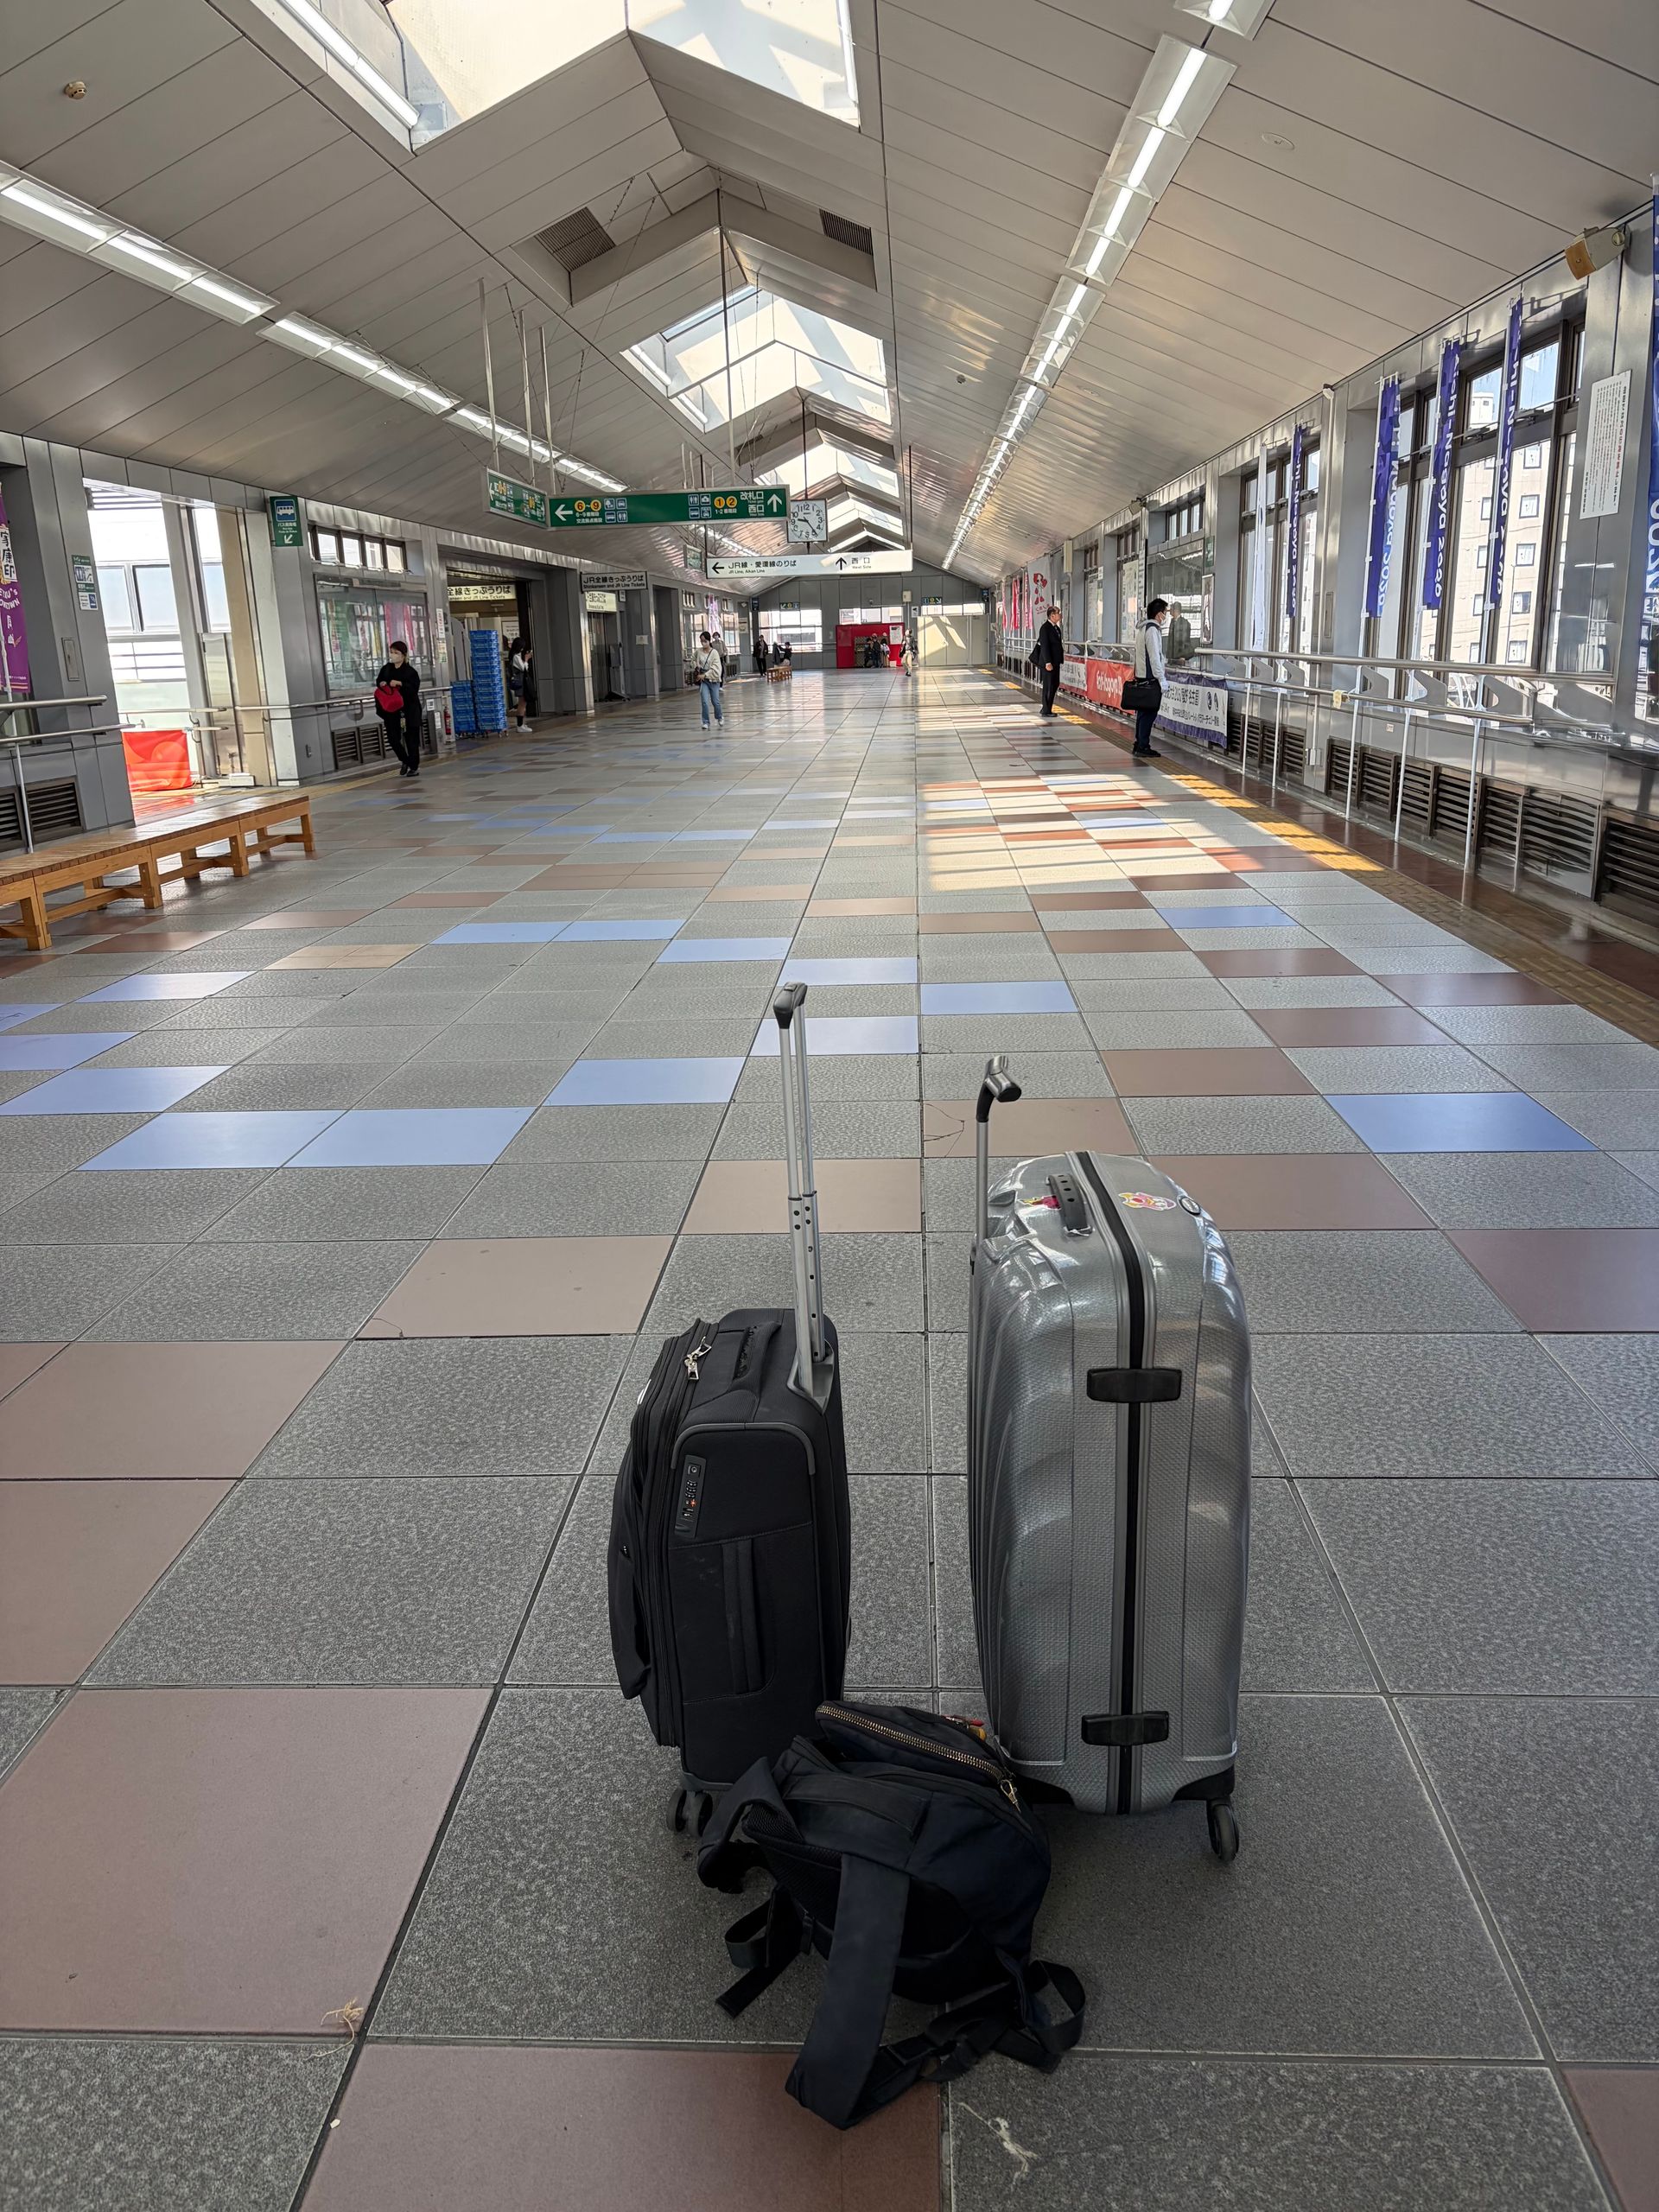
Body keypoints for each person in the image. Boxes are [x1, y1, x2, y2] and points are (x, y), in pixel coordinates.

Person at [375, 639, 423, 778]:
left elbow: (414, 688)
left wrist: (400, 683)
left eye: (396, 653)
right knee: (392, 738)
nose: (393, 655)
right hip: (391, 711)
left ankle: (413, 766)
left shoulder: (410, 672)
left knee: (411, 739)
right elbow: (379, 682)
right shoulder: (386, 669)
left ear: (403, 655)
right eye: (391, 652)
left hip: (409, 710)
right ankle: (405, 760)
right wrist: (382, 683)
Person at [1130, 597, 1168, 760]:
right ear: (1159, 614)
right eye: (1165, 612)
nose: (1165, 616)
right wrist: (1161, 679)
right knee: (1149, 712)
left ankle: (1139, 743)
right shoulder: (1152, 630)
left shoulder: (1142, 629)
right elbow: (1154, 657)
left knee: (1142, 712)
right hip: (1150, 677)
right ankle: (1143, 746)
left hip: (1142, 675)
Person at [1034, 602, 1064, 717]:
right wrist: (1047, 662)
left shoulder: (1056, 628)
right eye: (1058, 613)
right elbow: (1045, 646)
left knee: (1055, 684)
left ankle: (1047, 708)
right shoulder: (1045, 628)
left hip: (1055, 662)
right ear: (1052, 615)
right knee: (1049, 685)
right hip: (1049, 663)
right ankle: (1046, 710)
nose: (1060, 615)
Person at [696, 631, 724, 728]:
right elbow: (693, 660)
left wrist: (706, 675)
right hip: (704, 681)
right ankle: (706, 722)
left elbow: (716, 668)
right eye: (701, 641)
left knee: (715, 701)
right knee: (704, 701)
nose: (703, 643)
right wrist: (696, 666)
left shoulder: (714, 653)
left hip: (713, 680)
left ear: (709, 641)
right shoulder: (698, 651)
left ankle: (719, 717)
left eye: (705, 641)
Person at [506, 635, 531, 729]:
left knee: (522, 703)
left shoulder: (514, 656)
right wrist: (527, 659)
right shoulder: (515, 657)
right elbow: (524, 668)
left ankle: (521, 724)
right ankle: (520, 725)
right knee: (522, 704)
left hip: (520, 682)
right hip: (521, 683)